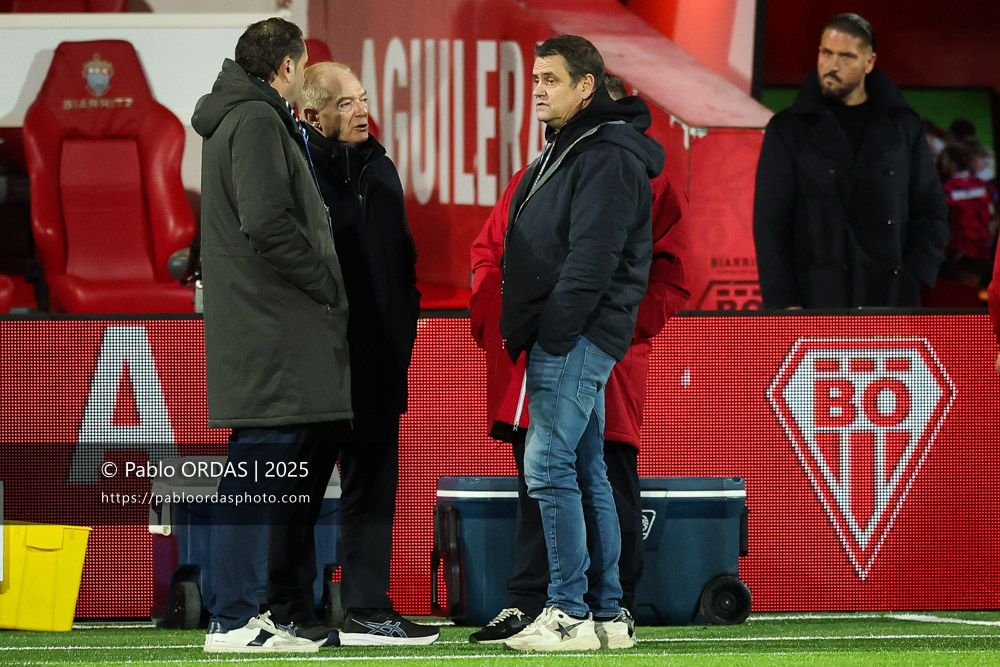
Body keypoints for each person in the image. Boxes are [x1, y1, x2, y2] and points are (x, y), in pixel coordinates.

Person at [467, 73, 689, 646]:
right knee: (567, 472)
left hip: (585, 348)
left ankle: (580, 609)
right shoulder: (543, 170)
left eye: (549, 81)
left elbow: (659, 276)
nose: (538, 92)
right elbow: (491, 254)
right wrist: (509, 327)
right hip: (558, 344)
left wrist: (601, 337)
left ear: (588, 94)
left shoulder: (627, 171)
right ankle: (586, 609)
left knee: (576, 472)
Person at [192, 17, 349, 653]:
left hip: (262, 320)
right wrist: (326, 284)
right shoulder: (257, 120)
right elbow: (266, 223)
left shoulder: (235, 115)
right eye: (301, 65)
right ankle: (231, 618)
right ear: (286, 68)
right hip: (270, 323)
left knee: (258, 467)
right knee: (254, 468)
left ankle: (242, 612)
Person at [293, 61, 437, 646]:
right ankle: (292, 613)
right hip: (319, 365)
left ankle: (367, 610)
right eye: (346, 103)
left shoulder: (381, 168)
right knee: (296, 494)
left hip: (379, 362)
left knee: (374, 489)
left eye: (363, 98)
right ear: (312, 115)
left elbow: (402, 264)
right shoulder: (297, 172)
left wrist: (401, 334)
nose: (361, 111)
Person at [753, 12, 948, 309]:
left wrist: (914, 276)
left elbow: (931, 209)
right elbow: (770, 222)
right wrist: (783, 301)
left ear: (869, 63)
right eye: (827, 53)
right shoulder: (787, 130)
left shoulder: (904, 127)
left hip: (891, 297)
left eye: (846, 57)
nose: (832, 66)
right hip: (814, 297)